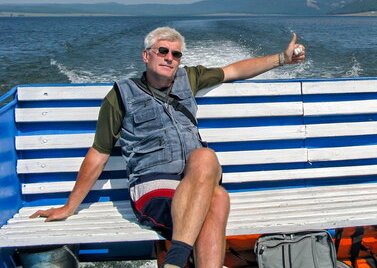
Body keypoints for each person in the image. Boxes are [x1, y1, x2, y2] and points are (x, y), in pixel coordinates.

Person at [30, 27, 306, 268]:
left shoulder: (191, 78)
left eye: (176, 54)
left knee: (205, 156)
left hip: (196, 177)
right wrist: (69, 207)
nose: (169, 58)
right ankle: (180, 257)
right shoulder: (120, 95)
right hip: (153, 184)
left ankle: (176, 257)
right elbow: (99, 153)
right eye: (163, 51)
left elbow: (234, 70)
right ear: (146, 55)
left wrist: (282, 58)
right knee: (217, 199)